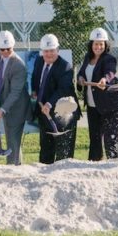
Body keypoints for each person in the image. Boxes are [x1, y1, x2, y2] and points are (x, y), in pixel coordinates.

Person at [31, 33, 79, 164]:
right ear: (42, 51)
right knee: (46, 151)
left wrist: (49, 104)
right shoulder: (39, 61)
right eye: (46, 51)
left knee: (63, 154)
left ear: (57, 50)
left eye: (52, 51)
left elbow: (62, 90)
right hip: (44, 114)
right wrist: (35, 90)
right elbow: (35, 77)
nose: (49, 54)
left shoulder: (65, 67)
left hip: (63, 114)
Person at [78, 27, 118, 160]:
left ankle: (114, 164)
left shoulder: (109, 59)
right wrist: (80, 79)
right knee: (95, 138)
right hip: (92, 106)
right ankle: (94, 164)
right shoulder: (87, 58)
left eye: (101, 44)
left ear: (105, 45)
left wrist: (105, 79)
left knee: (111, 139)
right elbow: (82, 72)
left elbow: (110, 72)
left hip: (109, 106)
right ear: (91, 45)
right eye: (95, 44)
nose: (98, 47)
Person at [0, 30, 29, 165]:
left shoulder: (19, 65)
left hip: (16, 108)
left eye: (9, 49)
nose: (6, 52)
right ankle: (14, 166)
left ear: (13, 46)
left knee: (13, 141)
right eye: (2, 49)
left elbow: (15, 93)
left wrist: (2, 110)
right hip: (2, 102)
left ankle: (14, 169)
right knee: (11, 140)